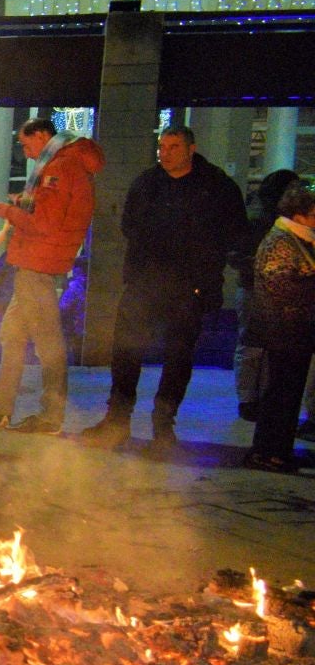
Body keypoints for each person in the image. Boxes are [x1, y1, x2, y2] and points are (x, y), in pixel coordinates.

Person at [78, 125, 248, 454]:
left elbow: (233, 231)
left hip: (189, 286)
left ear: (191, 149)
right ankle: (117, 420)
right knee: (126, 350)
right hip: (144, 282)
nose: (165, 152)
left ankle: (163, 425)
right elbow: (130, 224)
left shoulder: (215, 187)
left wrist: (202, 270)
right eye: (162, 146)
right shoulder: (148, 183)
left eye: (172, 146)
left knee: (178, 357)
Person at [0, 118, 104, 434]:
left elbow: (44, 224)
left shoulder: (57, 169)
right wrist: (23, 205)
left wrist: (8, 212)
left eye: (25, 143)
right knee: (12, 336)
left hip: (37, 264)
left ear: (42, 136)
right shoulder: (71, 165)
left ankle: (50, 416)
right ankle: (1, 409)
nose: (24, 152)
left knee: (48, 343)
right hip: (38, 262)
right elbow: (53, 215)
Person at [245, 182, 315, 472]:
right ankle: (269, 452)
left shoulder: (296, 239)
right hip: (285, 331)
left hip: (293, 330)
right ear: (299, 215)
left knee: (287, 393)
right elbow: (282, 287)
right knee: (281, 394)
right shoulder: (282, 242)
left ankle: (277, 449)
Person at [235, 168, 302, 420]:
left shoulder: (258, 217)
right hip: (255, 288)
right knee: (253, 345)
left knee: (254, 346)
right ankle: (251, 399)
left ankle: (252, 398)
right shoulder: (264, 222)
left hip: (255, 287)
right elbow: (238, 253)